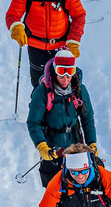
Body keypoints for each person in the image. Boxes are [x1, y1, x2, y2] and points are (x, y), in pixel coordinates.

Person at [6, 0, 86, 85]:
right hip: (35, 46)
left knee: (63, 83)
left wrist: (74, 40)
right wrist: (16, 27)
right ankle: (38, 104)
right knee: (39, 84)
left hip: (61, 46)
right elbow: (12, 14)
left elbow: (79, 15)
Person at [27, 48, 96, 186]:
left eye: (69, 75)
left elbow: (88, 119)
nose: (65, 80)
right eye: (61, 75)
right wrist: (41, 146)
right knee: (53, 187)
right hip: (52, 147)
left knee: (79, 184)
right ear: (54, 71)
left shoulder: (79, 90)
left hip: (75, 144)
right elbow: (33, 122)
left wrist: (91, 143)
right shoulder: (42, 91)